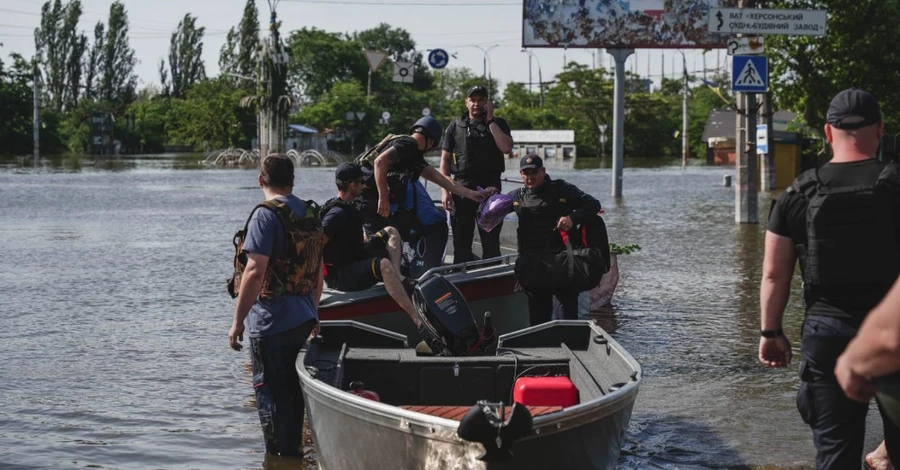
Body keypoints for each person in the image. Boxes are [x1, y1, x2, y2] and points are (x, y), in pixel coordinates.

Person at [758, 88, 900, 470]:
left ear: (827, 132)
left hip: (828, 331)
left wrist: (771, 333)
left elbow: (774, 274)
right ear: (880, 130)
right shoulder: (896, 184)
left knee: (835, 453)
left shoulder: (797, 193)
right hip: (895, 333)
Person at [227, 154, 324, 457]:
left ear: (260, 180)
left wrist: (237, 322)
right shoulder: (308, 213)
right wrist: (314, 312)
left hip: (271, 323)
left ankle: (280, 459)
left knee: (271, 399)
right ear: (292, 181)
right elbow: (318, 271)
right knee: (293, 398)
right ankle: (294, 455)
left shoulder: (265, 215)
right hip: (303, 318)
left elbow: (255, 272)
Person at [358, 116, 486, 276]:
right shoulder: (409, 145)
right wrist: (383, 198)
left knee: (391, 235)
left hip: (367, 198)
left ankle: (394, 272)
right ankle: (384, 275)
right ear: (430, 141)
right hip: (369, 199)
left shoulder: (413, 157)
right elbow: (379, 162)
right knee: (380, 239)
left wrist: (471, 194)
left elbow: (441, 179)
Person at [320, 162, 422, 328]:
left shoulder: (349, 207)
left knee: (390, 231)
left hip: (355, 256)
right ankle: (417, 319)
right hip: (341, 276)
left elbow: (349, 239)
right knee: (383, 265)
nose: (364, 185)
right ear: (352, 185)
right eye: (361, 181)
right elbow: (317, 244)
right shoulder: (336, 213)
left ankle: (399, 279)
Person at [505, 154, 601, 326]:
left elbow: (594, 204)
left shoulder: (561, 189)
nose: (529, 177)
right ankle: (544, 349)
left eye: (533, 172)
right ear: (521, 174)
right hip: (534, 264)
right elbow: (489, 214)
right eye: (525, 173)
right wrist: (489, 198)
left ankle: (571, 345)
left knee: (567, 315)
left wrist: (572, 217)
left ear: (543, 171)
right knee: (538, 320)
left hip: (562, 261)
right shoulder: (516, 196)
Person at [440, 85, 514, 263]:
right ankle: (461, 277)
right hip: (462, 191)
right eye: (473, 100)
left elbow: (506, 148)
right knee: (461, 241)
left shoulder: (499, 123)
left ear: (487, 103)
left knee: (490, 242)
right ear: (466, 102)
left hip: (491, 192)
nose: (477, 104)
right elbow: (444, 161)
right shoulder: (455, 126)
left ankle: (490, 278)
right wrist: (445, 191)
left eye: (481, 100)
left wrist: (490, 120)